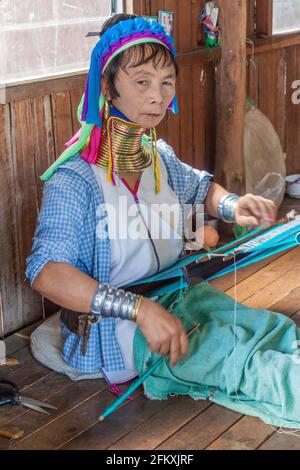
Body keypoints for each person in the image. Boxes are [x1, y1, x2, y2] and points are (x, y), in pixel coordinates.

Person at [26, 14, 300, 429]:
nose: (158, 96)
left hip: (181, 298)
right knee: (246, 363)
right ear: (107, 85)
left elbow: (201, 188)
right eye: (141, 82)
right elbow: (46, 274)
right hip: (123, 333)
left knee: (273, 329)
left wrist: (233, 204)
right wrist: (139, 309)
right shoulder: (74, 180)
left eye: (167, 81)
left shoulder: (158, 158)